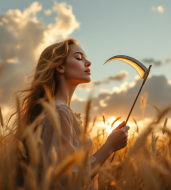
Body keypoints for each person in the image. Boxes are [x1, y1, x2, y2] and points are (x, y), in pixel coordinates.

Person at [8, 38, 130, 190]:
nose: (88, 62)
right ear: (60, 67)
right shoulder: (60, 112)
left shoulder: (59, 111)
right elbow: (66, 181)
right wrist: (109, 146)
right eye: (79, 58)